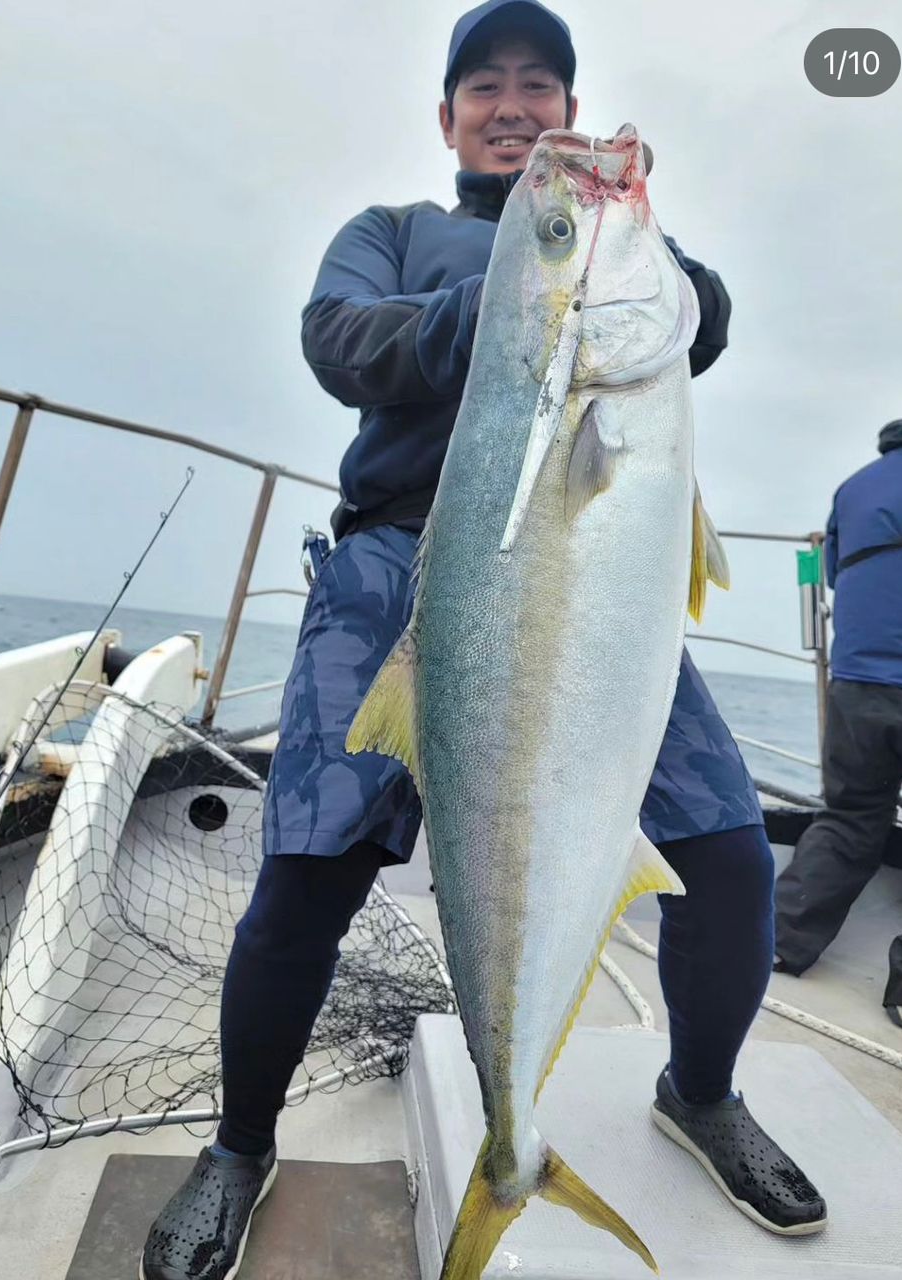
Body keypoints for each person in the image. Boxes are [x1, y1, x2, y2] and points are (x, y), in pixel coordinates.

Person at [140, 5, 826, 1276]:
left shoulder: (612, 244)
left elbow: (700, 319)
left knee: (731, 854)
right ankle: (239, 1143)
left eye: (540, 84)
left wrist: (619, 243)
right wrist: (508, 297)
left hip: (584, 583)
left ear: (567, 106)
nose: (514, 104)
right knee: (305, 872)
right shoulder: (394, 235)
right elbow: (337, 337)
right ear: (447, 116)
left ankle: (704, 1089)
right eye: (484, 85)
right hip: (396, 566)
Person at [774, 374, 902, 1034]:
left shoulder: (858, 484)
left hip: (858, 685)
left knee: (848, 819)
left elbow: (839, 573)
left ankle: (778, 942)